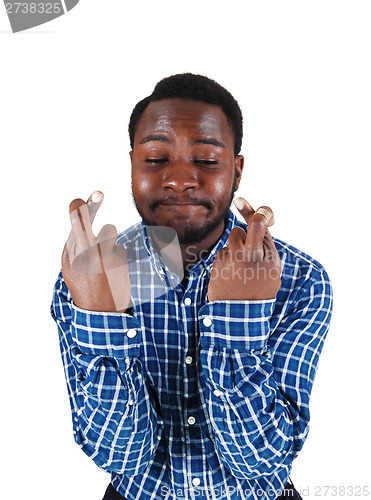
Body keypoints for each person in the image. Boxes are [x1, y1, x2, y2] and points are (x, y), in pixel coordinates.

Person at [51, 73, 333, 500]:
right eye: (156, 159)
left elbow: (259, 461)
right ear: (132, 165)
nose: (180, 178)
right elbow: (122, 458)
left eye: (205, 160)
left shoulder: (300, 279)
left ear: (236, 171)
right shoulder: (86, 277)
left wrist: (239, 316)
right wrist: (100, 315)